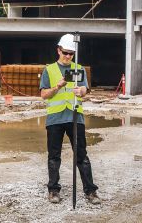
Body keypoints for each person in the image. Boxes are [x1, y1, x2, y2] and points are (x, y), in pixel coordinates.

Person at [39, 33, 101, 205]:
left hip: (75, 117)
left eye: (70, 54)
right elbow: (44, 95)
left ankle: (91, 191)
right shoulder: (49, 70)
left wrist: (81, 91)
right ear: (58, 50)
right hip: (55, 119)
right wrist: (57, 87)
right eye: (65, 52)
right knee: (54, 156)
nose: (68, 56)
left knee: (81, 156)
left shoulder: (78, 68)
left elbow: (85, 91)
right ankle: (53, 190)